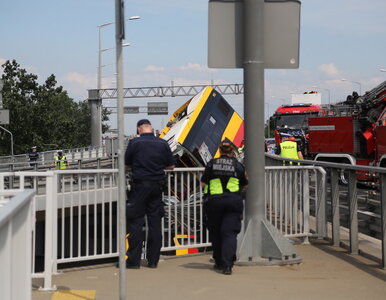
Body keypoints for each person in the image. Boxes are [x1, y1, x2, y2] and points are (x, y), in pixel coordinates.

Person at [124, 119, 175, 269]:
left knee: (136, 223)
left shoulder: (135, 143)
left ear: (139, 129)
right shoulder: (162, 143)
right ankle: (153, 261)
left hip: (139, 187)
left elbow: (126, 164)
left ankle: (134, 261)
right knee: (155, 224)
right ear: (151, 128)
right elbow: (171, 166)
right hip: (157, 187)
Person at [201, 139, 248, 275]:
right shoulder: (238, 166)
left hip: (214, 202)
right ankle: (228, 265)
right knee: (229, 233)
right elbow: (245, 185)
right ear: (232, 151)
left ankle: (218, 261)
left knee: (215, 232)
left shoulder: (211, 164)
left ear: (220, 151)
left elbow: (203, 183)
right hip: (233, 202)